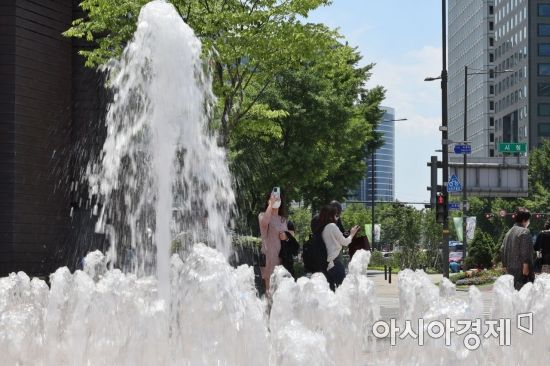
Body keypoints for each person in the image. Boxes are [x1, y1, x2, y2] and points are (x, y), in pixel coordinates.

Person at [317, 205, 360, 291]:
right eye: (336, 215)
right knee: (343, 291)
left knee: (333, 292)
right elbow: (345, 242)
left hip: (330, 264)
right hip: (336, 263)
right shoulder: (332, 226)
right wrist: (352, 233)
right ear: (331, 216)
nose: (337, 218)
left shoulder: (323, 228)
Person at [259, 191, 288, 293]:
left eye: (278, 198)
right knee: (269, 287)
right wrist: (271, 204)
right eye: (274, 198)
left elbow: (288, 238)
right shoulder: (263, 215)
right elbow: (264, 223)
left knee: (279, 287)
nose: (276, 200)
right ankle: (268, 308)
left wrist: (285, 237)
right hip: (268, 256)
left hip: (280, 256)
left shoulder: (283, 219)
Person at [500, 207, 534, 290]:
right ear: (524, 220)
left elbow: (502, 250)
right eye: (528, 220)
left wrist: (505, 266)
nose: (529, 222)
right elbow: (525, 251)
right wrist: (526, 269)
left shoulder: (508, 232)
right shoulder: (524, 231)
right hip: (521, 272)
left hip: (510, 273)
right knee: (524, 297)